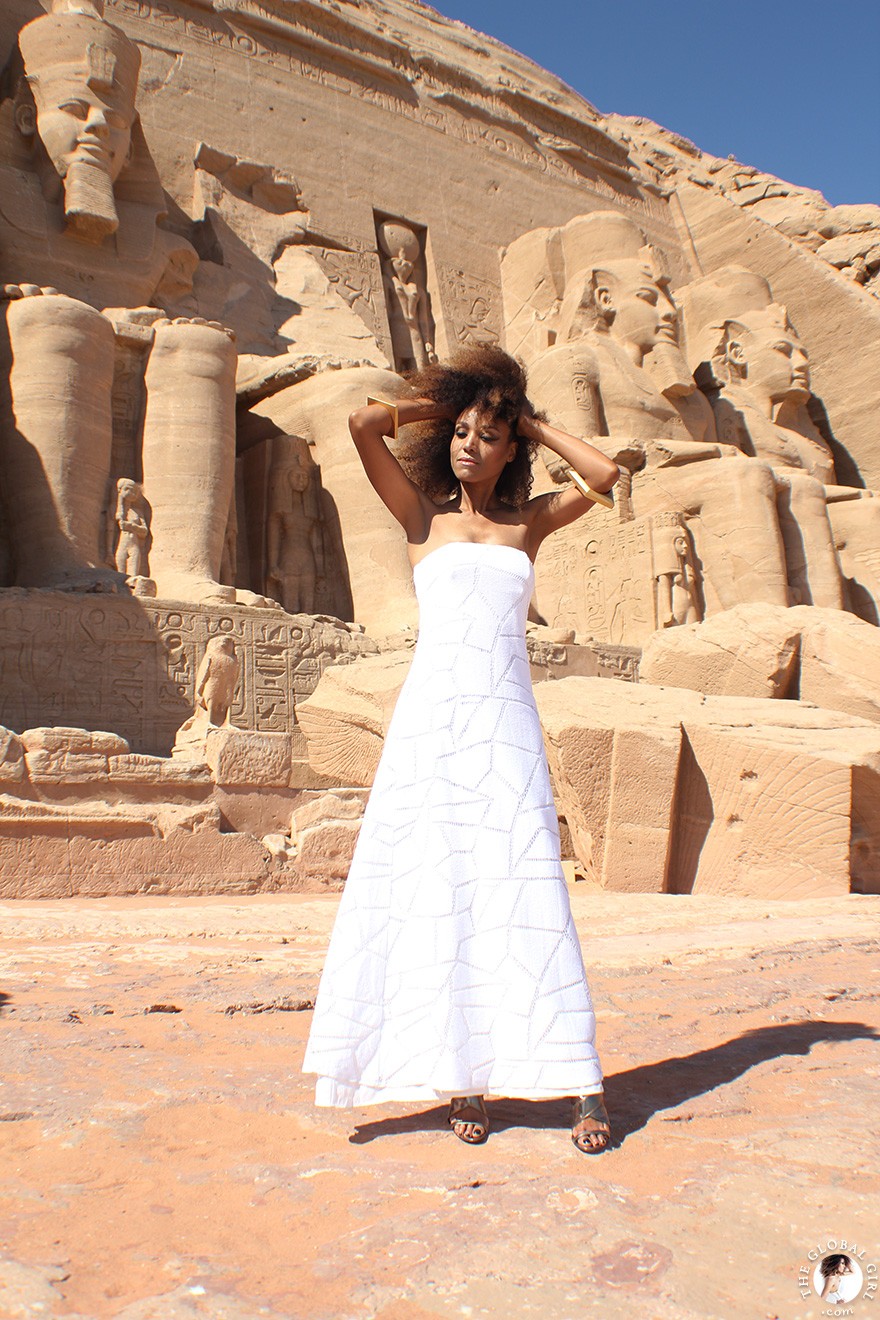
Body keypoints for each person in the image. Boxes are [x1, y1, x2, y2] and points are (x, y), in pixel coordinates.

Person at [302, 346, 619, 1153]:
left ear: (510, 447)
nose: (471, 446)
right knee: (443, 887)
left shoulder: (528, 525)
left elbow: (607, 475)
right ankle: (463, 1079)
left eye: (487, 435)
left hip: (504, 724)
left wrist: (532, 421)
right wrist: (444, 407)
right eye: (464, 434)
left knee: (526, 886)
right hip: (432, 728)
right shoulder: (422, 519)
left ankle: (580, 1082)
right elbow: (364, 423)